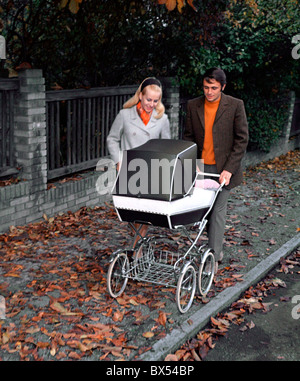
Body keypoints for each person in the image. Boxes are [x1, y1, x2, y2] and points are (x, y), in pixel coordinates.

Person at [183, 67, 249, 273]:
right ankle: (213, 247)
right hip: (201, 167)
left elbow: (241, 139)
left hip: (224, 169)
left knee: (218, 211)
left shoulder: (235, 105)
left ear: (223, 87)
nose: (209, 92)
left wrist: (229, 169)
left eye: (213, 88)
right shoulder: (193, 105)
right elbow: (188, 137)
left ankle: (213, 256)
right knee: (205, 210)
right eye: (205, 87)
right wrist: (191, 161)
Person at [107, 77, 171, 250]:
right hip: (129, 171)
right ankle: (137, 245)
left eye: (155, 101)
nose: (151, 104)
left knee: (146, 214)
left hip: (152, 172)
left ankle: (136, 251)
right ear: (140, 96)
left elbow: (167, 145)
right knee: (131, 215)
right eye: (148, 99)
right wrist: (118, 161)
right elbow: (112, 139)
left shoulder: (162, 119)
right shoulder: (124, 115)